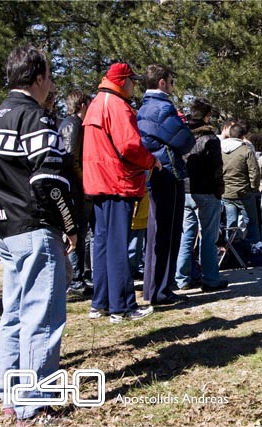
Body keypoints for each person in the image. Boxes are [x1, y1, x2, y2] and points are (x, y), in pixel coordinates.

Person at [0, 45, 77, 422]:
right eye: (49, 76)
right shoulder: (35, 118)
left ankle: (10, 393)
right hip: (35, 227)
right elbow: (49, 181)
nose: (51, 83)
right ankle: (33, 403)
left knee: (15, 313)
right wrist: (70, 224)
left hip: (6, 228)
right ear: (38, 78)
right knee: (42, 316)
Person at [83, 62, 160, 322]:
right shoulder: (116, 105)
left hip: (98, 182)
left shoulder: (96, 103)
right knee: (118, 245)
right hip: (117, 182)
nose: (134, 85)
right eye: (132, 80)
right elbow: (129, 146)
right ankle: (122, 307)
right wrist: (151, 161)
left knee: (103, 244)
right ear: (122, 81)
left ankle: (101, 302)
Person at [138, 64, 196, 305]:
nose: (172, 86)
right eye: (171, 81)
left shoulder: (144, 107)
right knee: (168, 233)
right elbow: (184, 140)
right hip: (168, 172)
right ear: (161, 82)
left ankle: (152, 288)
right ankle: (161, 290)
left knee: (155, 233)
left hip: (155, 172)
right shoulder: (162, 107)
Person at [175, 97, 228, 292]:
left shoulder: (182, 135)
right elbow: (217, 168)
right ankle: (210, 278)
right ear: (207, 115)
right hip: (206, 191)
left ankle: (182, 278)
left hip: (186, 190)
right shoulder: (211, 139)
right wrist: (219, 189)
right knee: (208, 236)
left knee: (186, 235)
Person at [59, 89, 93, 296]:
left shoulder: (71, 124)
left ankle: (79, 276)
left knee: (81, 233)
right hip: (77, 189)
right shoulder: (73, 125)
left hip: (76, 187)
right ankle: (75, 280)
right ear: (82, 105)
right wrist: (85, 182)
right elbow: (72, 159)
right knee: (77, 233)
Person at [221, 124, 262, 254]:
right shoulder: (246, 150)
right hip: (244, 192)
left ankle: (231, 251)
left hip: (226, 192)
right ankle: (254, 250)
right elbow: (254, 172)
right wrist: (254, 187)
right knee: (251, 222)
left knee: (231, 223)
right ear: (243, 136)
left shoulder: (220, 148)